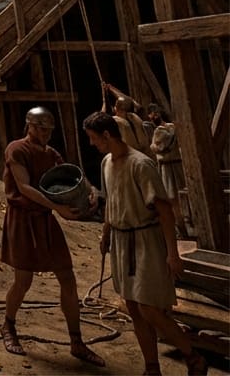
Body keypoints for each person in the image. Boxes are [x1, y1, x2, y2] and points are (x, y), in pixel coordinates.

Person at [83, 111, 207, 376]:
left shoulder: (140, 164)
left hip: (146, 240)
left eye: (94, 138)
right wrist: (106, 233)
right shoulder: (106, 162)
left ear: (107, 135)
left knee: (149, 308)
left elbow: (164, 211)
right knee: (133, 307)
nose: (92, 144)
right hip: (121, 239)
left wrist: (172, 254)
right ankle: (152, 368)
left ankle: (193, 357)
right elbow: (112, 202)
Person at [0, 107, 105, 367]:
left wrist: (91, 191)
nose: (46, 134)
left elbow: (73, 173)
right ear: (30, 126)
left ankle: (76, 341)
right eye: (41, 128)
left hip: (45, 219)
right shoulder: (16, 149)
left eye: (49, 130)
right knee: (23, 281)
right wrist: (57, 208)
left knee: (67, 277)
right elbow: (24, 186)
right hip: (23, 220)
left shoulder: (51, 153)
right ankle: (8, 326)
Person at [147, 104, 188, 237]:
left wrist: (152, 146)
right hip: (178, 165)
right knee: (181, 196)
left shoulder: (159, 131)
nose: (150, 117)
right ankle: (185, 226)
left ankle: (181, 229)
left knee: (172, 199)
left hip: (168, 168)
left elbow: (158, 147)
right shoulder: (173, 127)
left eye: (151, 114)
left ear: (156, 114)